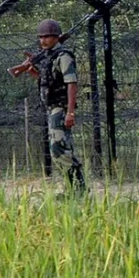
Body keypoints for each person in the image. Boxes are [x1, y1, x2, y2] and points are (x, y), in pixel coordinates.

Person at [25, 19, 87, 199]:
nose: (43, 40)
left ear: (56, 37)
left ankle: (78, 189)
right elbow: (49, 82)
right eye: (41, 37)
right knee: (58, 150)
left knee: (59, 149)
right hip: (52, 108)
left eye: (47, 37)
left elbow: (71, 83)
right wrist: (35, 74)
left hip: (60, 108)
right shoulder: (49, 56)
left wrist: (70, 112)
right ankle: (74, 189)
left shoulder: (63, 56)